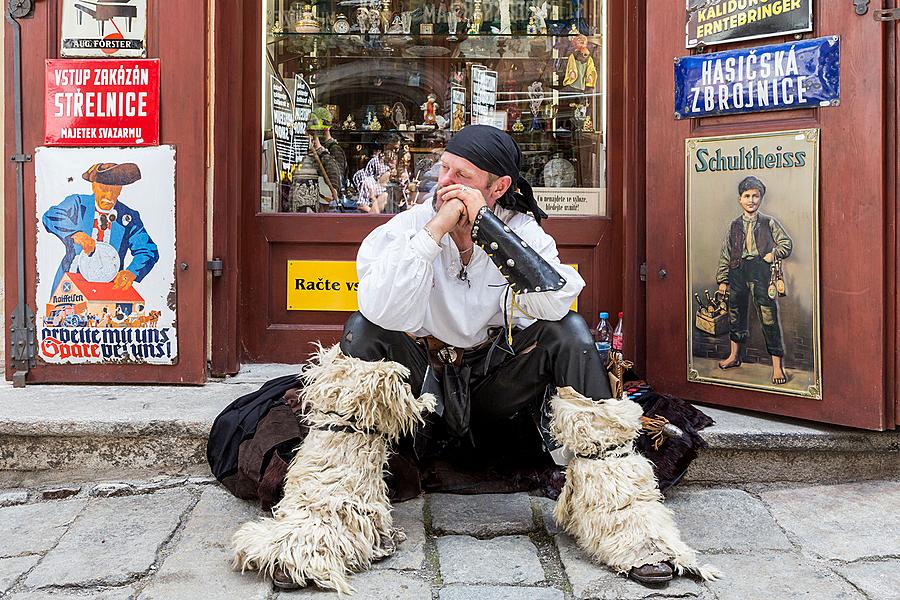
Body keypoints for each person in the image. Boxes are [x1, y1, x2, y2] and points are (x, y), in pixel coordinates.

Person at [340, 125, 673, 585]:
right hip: (423, 389)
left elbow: (554, 301)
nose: (446, 184)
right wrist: (435, 230)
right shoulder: (410, 226)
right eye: (444, 169)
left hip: (494, 386)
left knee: (569, 332)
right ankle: (332, 514)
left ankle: (621, 519)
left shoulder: (522, 233)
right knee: (362, 328)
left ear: (497, 188)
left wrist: (489, 231)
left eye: (464, 176)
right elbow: (382, 309)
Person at [715, 175, 793, 385]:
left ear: (761, 199)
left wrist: (774, 253)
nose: (751, 200)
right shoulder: (734, 226)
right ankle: (734, 356)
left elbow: (786, 244)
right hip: (738, 271)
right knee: (735, 314)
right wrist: (723, 280)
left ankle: (777, 366)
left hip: (761, 271)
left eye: (755, 196)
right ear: (740, 199)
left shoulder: (769, 223)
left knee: (768, 316)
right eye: (747, 196)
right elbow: (726, 253)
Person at [42, 162, 159, 293]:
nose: (109, 196)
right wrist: (75, 233)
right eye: (104, 188)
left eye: (115, 190)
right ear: (94, 186)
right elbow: (50, 216)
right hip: (70, 285)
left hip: (110, 288)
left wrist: (131, 273)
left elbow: (148, 250)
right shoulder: (78, 203)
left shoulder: (128, 216)